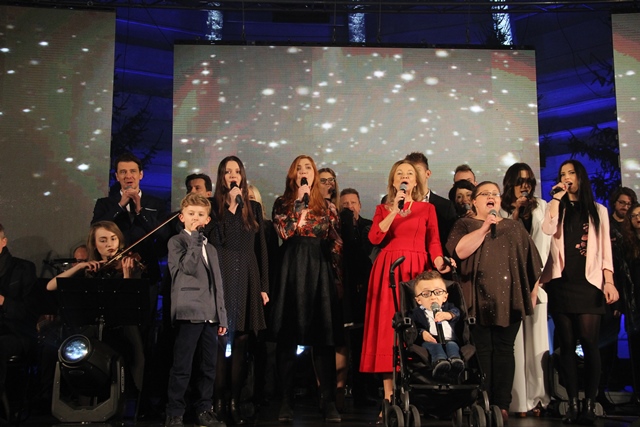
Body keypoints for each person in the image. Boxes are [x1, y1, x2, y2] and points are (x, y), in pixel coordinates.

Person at [446, 181, 543, 423]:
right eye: (485, 194)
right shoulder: (464, 224)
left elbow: (532, 262)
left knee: (504, 350)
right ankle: (483, 401)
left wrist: (532, 293)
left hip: (509, 299)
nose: (491, 197)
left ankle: (501, 404)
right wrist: (484, 228)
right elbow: (459, 252)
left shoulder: (513, 227)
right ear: (474, 201)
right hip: (476, 299)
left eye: (495, 194)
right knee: (482, 350)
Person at [361, 159, 449, 410]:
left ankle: (415, 397)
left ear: (416, 181)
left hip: (417, 271)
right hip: (388, 270)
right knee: (387, 330)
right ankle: (389, 399)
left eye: (409, 173)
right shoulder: (383, 208)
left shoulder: (427, 209)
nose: (405, 176)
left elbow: (433, 242)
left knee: (416, 326)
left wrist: (439, 261)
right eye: (399, 173)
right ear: (393, 181)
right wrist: (393, 211)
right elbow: (375, 237)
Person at [540, 159, 618, 425]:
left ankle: (590, 403)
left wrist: (609, 281)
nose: (566, 177)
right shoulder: (556, 206)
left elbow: (605, 250)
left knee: (589, 342)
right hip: (562, 282)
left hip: (589, 283)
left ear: (581, 177)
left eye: (571, 173)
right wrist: (555, 199)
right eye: (562, 174)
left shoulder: (598, 210)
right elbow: (547, 229)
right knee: (566, 344)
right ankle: (572, 403)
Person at [270, 155, 343, 423]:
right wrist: (299, 206)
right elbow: (285, 232)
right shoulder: (283, 203)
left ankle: (328, 401)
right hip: (291, 270)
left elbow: (335, 243)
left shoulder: (328, 207)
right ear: (293, 174)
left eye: (308, 168)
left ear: (314, 174)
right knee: (288, 337)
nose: (304, 171)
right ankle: (286, 401)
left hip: (319, 270)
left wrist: (337, 277)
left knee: (323, 338)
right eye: (299, 168)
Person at [45, 221, 146, 398]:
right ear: (94, 244)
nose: (109, 244)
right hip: (95, 326)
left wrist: (127, 275)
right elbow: (51, 286)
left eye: (113, 239)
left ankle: (131, 398)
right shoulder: (91, 269)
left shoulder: (130, 265)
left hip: (123, 325)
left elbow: (129, 303)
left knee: (134, 356)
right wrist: (80, 266)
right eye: (103, 240)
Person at [208, 156, 269, 425]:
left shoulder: (253, 207)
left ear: (242, 176)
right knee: (221, 341)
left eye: (237, 171)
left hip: (247, 275)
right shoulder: (214, 207)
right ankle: (218, 403)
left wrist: (264, 286)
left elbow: (261, 248)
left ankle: (235, 402)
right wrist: (231, 207)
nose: (233, 176)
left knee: (242, 341)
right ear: (221, 177)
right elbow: (217, 239)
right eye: (228, 172)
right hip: (222, 274)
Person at [165, 193, 227, 427]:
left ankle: (204, 409)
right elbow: (188, 268)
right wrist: (194, 239)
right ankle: (175, 412)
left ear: (207, 220)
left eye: (200, 215)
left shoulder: (211, 249)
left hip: (210, 315)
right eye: (191, 214)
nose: (195, 218)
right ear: (182, 217)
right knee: (182, 366)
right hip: (188, 312)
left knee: (208, 366)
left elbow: (217, 283)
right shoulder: (177, 242)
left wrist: (222, 316)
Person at [499, 162, 552, 417]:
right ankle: (519, 401)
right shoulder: (501, 208)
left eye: (529, 181)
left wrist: (538, 281)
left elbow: (547, 242)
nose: (525, 186)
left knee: (538, 340)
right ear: (510, 183)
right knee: (515, 344)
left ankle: (539, 398)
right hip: (509, 283)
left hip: (537, 281)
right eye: (520, 181)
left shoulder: (541, 206)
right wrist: (517, 212)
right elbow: (502, 239)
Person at [91, 152, 168, 285]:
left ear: (140, 175)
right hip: (113, 271)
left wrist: (140, 210)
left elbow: (163, 234)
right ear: (117, 176)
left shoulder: (156, 203)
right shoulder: (104, 203)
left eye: (133, 171)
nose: (128, 176)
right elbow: (95, 229)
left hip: (147, 271)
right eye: (123, 172)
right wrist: (120, 205)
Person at [339, 188, 374, 406]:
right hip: (341, 289)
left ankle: (363, 391)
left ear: (360, 205)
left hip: (363, 290)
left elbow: (364, 255)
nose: (349, 207)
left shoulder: (368, 226)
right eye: (345, 204)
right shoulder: (335, 227)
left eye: (353, 203)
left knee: (361, 341)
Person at [0, 223, 37, 405]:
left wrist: (3, 301)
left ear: (3, 242)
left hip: (15, 333)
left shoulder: (23, 269)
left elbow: (29, 312)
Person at [409, 270, 464, 379]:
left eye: (438, 292)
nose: (433, 297)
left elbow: (458, 313)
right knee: (435, 347)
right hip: (431, 340)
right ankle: (439, 362)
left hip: (449, 339)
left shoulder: (449, 307)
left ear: (445, 297)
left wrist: (449, 315)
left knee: (453, 346)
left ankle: (455, 361)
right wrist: (422, 333)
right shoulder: (417, 313)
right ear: (418, 300)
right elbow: (413, 327)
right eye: (426, 294)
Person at [404, 152, 457, 256]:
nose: (413, 176)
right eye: (409, 172)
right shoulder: (394, 203)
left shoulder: (445, 206)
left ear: (427, 174)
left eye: (417, 171)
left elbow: (450, 241)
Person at [621, 203, 640, 404]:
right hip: (635, 305)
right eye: (634, 215)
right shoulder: (627, 245)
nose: (638, 218)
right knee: (636, 349)